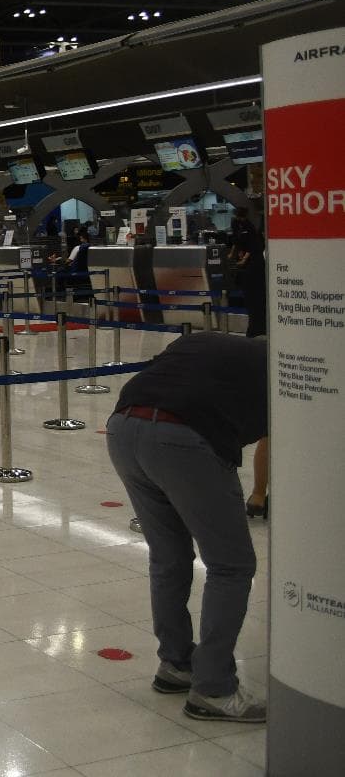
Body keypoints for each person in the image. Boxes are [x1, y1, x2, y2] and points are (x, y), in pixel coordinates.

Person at [105, 332, 268, 723]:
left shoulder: (210, 343)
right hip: (182, 438)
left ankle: (176, 663)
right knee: (231, 566)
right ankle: (214, 688)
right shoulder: (287, 368)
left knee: (169, 556)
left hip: (123, 427)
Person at [230, 206, 265, 338]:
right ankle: (255, 331)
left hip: (253, 271)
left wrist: (243, 259)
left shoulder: (249, 227)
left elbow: (251, 246)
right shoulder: (238, 225)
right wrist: (237, 254)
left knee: (255, 304)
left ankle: (256, 331)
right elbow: (238, 241)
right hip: (251, 271)